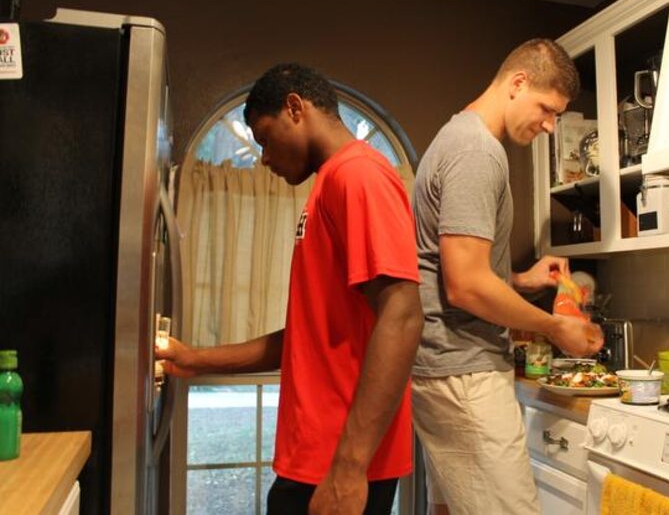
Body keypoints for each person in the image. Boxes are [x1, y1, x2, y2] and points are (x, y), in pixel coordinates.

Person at [156, 63, 424, 515]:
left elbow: (403, 315)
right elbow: (308, 340)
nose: (263, 157)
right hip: (316, 457)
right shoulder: (329, 185)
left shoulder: (359, 176)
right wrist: (194, 359)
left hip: (339, 463)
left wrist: (349, 468)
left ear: (295, 109)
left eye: (264, 138)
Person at [410, 38, 604, 514]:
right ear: (518, 83)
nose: (550, 125)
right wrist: (557, 326)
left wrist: (519, 279)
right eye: (547, 108)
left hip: (450, 368)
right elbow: (466, 285)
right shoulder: (477, 151)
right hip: (465, 371)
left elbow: (455, 269)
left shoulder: (457, 138)